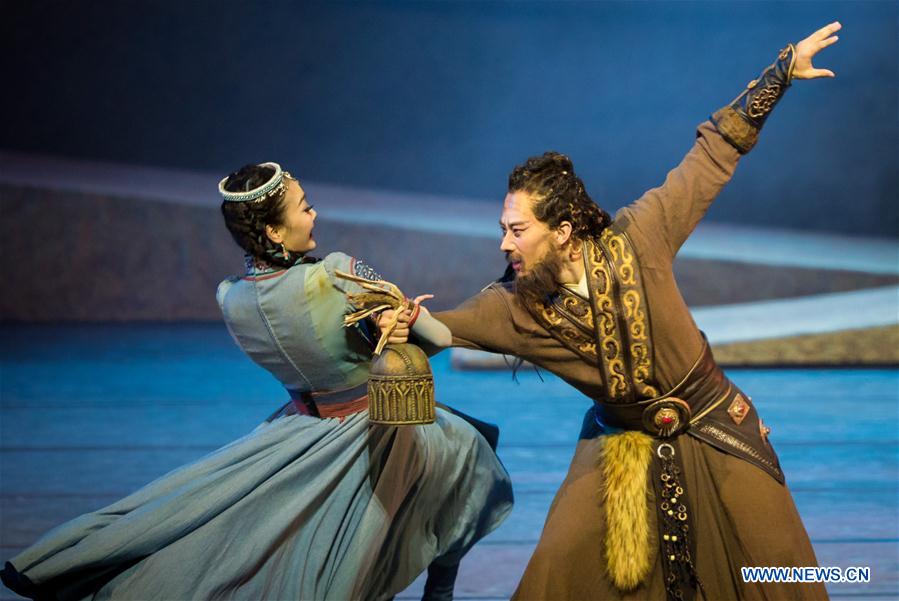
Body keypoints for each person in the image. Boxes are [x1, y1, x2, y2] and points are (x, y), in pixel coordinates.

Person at [411, 22, 841, 601]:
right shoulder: (514, 307)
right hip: (619, 441)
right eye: (503, 229)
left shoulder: (640, 237)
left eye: (517, 230)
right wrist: (395, 316)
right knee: (558, 568)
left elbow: (710, 156)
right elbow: (441, 331)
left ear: (563, 231)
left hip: (716, 424)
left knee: (778, 566)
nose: (504, 243)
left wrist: (779, 75)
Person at [1, 162, 513, 601]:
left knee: (214, 531)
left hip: (297, 431)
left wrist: (370, 331)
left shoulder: (232, 298)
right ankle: (439, 593)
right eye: (304, 207)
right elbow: (437, 338)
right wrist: (403, 320)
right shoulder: (337, 272)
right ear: (274, 230)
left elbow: (317, 344)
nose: (314, 214)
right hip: (374, 428)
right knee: (468, 453)